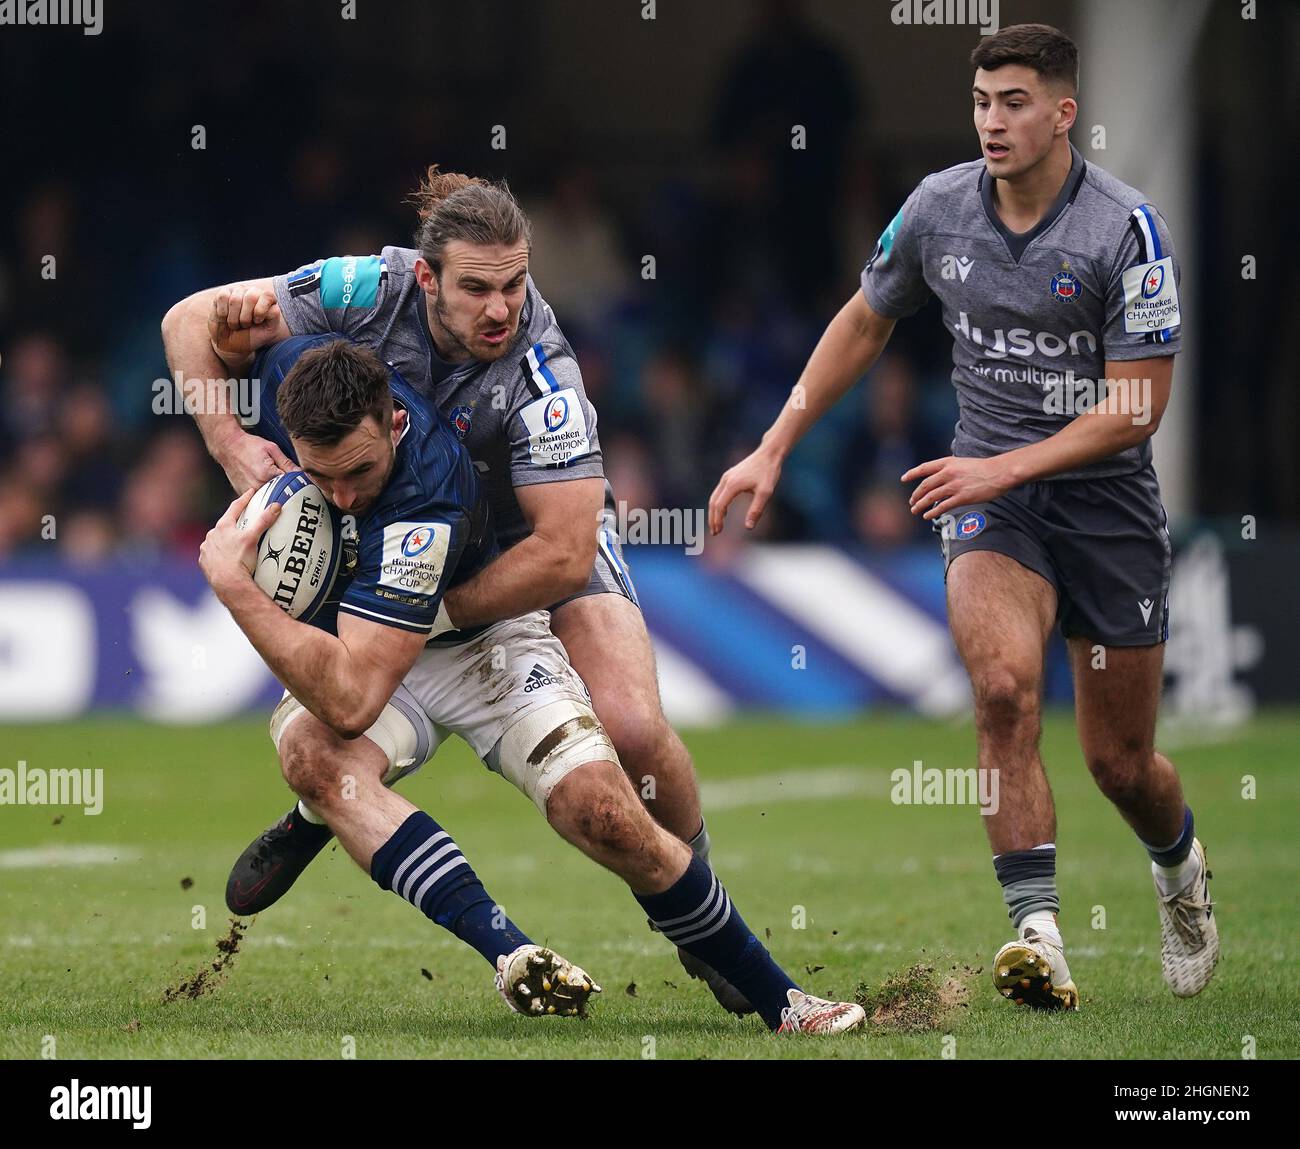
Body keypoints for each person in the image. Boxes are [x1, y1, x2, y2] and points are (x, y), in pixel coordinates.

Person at [709, 23, 1216, 1010]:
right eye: (981, 102)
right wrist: (774, 444)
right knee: (999, 691)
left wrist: (1005, 466)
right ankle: (1038, 938)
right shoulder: (936, 210)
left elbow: (1138, 406)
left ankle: (1180, 869)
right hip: (992, 509)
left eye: (1014, 102)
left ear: (1063, 113)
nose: (992, 121)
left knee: (1120, 764)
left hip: (1105, 510)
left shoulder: (1127, 230)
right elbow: (865, 318)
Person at [160, 167, 744, 1013]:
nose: (501, 309)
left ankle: (699, 915)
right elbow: (188, 322)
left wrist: (427, 613)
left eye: (515, 284)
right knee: (330, 737)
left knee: (633, 728)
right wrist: (228, 441)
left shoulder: (544, 372)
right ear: (428, 277)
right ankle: (317, 812)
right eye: (477, 288)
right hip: (386, 528)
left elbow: (563, 553)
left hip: (529, 541)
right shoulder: (361, 288)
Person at [199, 332, 866, 1036]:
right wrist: (226, 437)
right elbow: (188, 325)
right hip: (369, 639)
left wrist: (236, 587)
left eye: (357, 472)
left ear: (394, 419)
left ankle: (784, 1000)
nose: (340, 495)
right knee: (314, 758)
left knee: (604, 812)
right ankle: (510, 951)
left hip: (478, 640)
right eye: (319, 475)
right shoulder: (293, 372)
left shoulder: (426, 493)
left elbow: (352, 697)